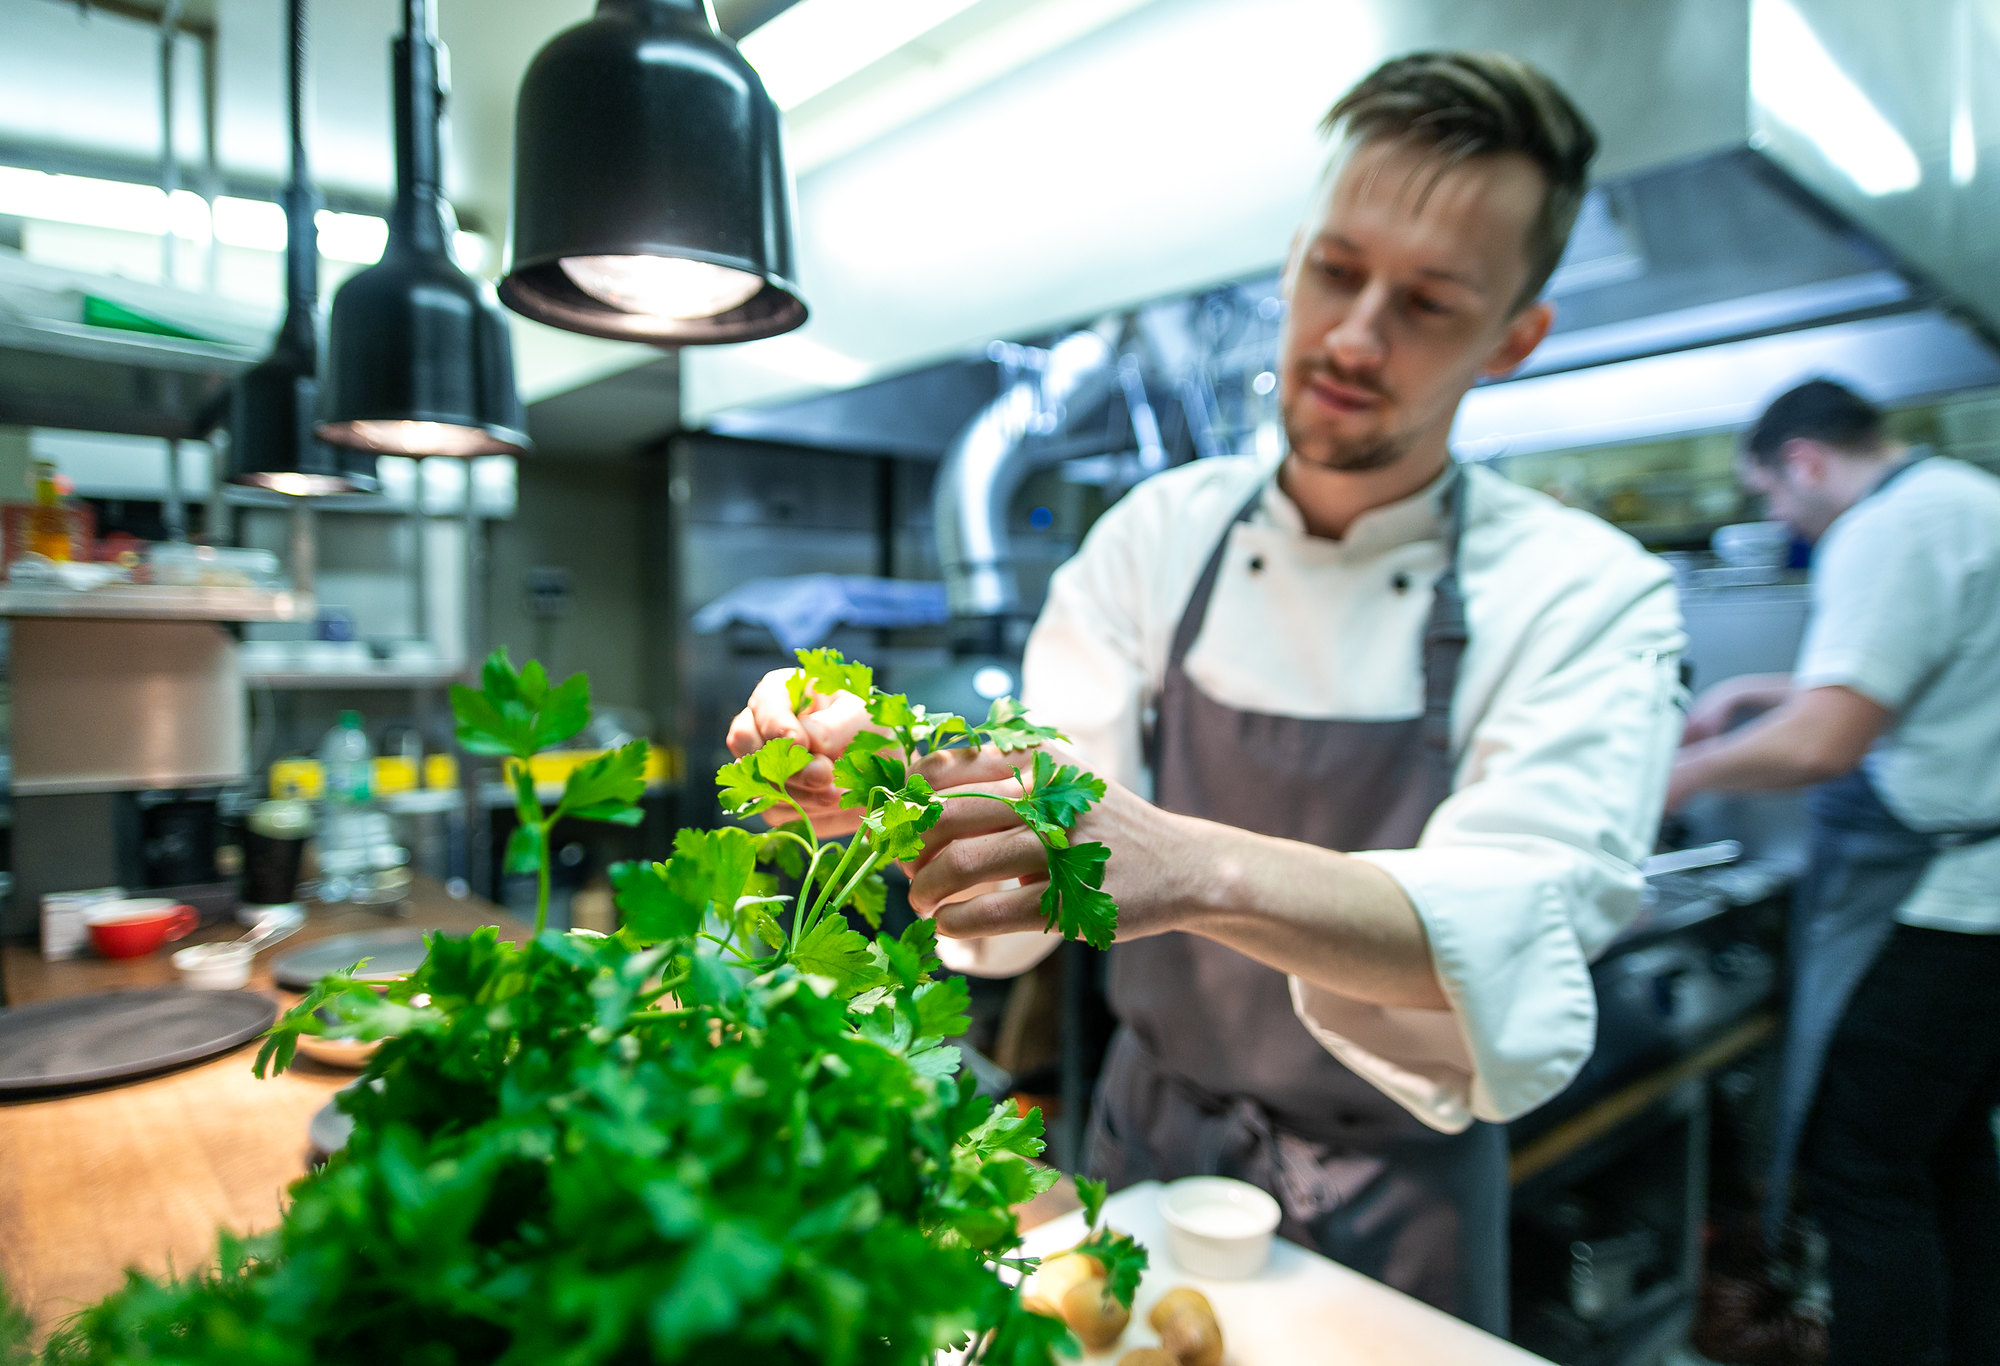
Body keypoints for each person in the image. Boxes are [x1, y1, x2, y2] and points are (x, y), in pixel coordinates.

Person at [729, 52, 1685, 1331]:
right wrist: (888, 782)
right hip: (1144, 1150)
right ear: (1294, 259)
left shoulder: (1585, 593)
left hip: (1395, 1200)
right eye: (1335, 271)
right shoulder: (1155, 536)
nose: (1352, 336)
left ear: (1513, 337)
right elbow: (1039, 803)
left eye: (1428, 303)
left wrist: (1197, 869)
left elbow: (1524, 913)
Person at [1668, 378, 2000, 1366]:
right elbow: (1922, 670)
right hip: (1980, 897)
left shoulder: (1886, 529)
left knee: (1859, 1172)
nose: (1775, 515)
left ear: (1802, 461)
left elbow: (1822, 742)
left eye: (1768, 492)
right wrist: (1747, 690)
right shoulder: (1963, 498)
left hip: (1936, 909)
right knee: (1945, 1160)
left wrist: (1672, 776)